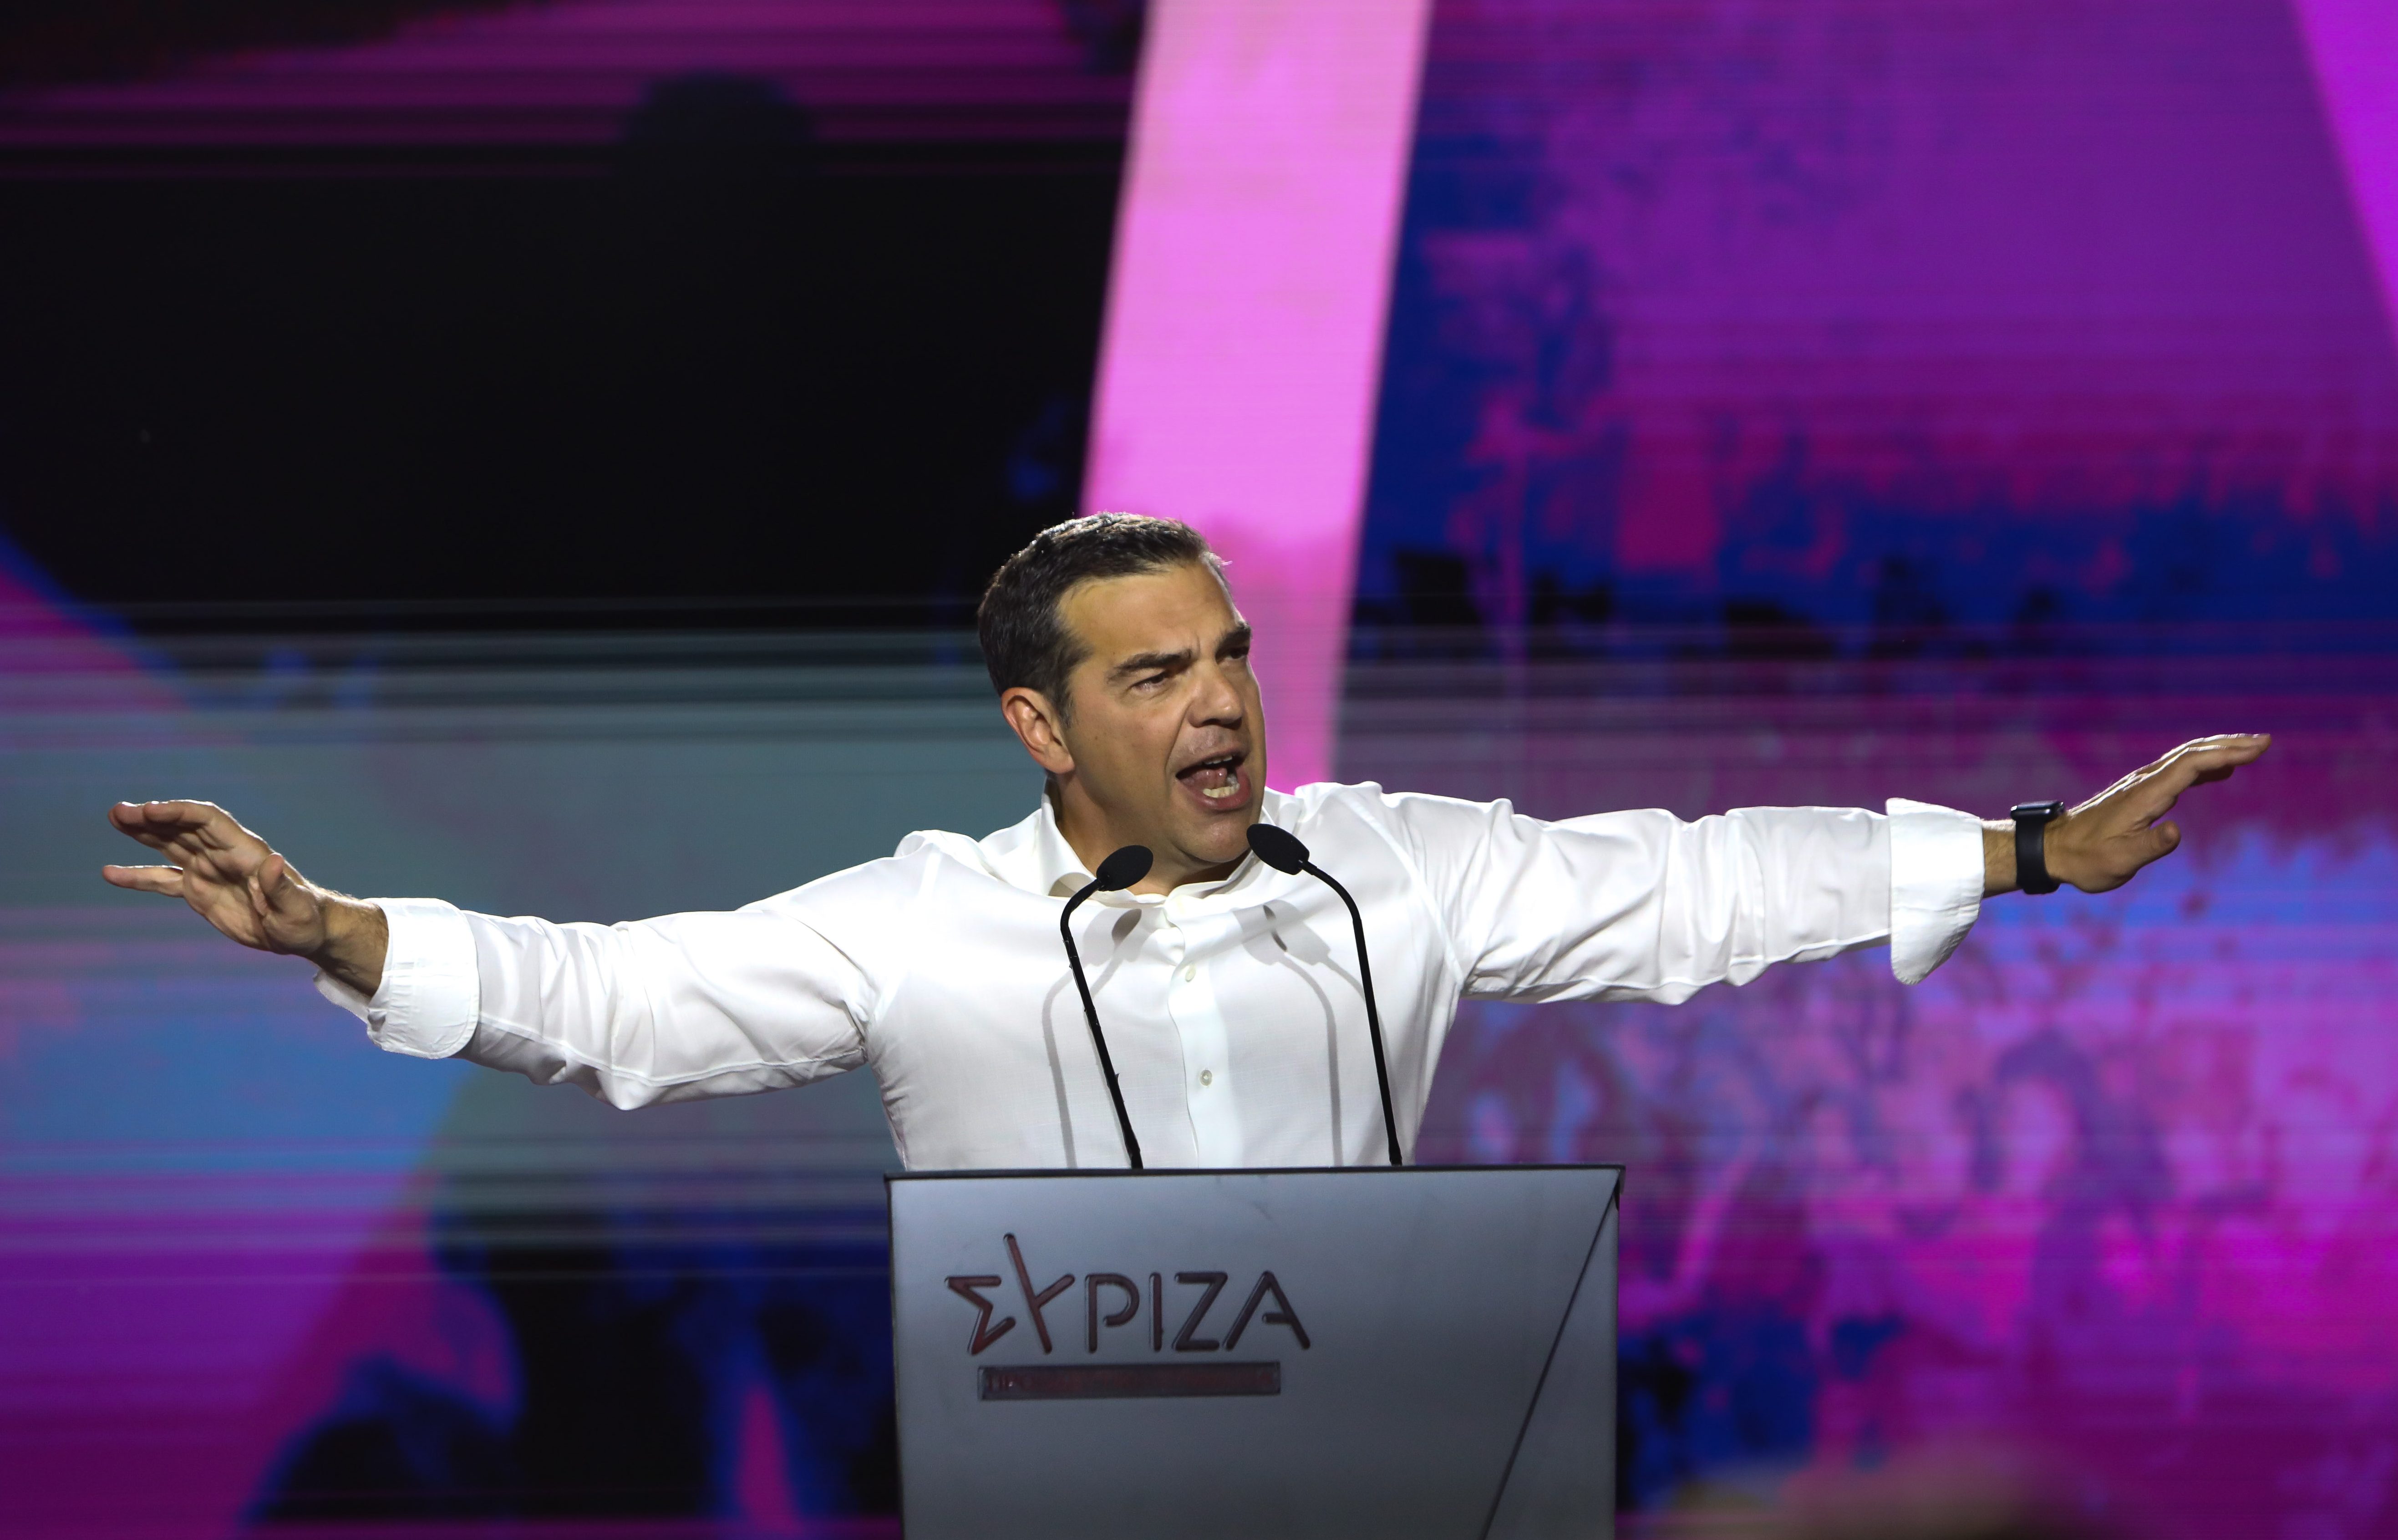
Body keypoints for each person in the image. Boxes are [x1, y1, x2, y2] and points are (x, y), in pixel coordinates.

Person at [101, 516, 2268, 1170]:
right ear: (1042, 726)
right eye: (1155, 677)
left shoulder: (1387, 867)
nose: (1221, 703)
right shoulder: (923, 925)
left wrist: (2026, 853)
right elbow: (619, 1002)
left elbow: (1692, 886)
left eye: (1228, 657)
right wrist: (332, 929)